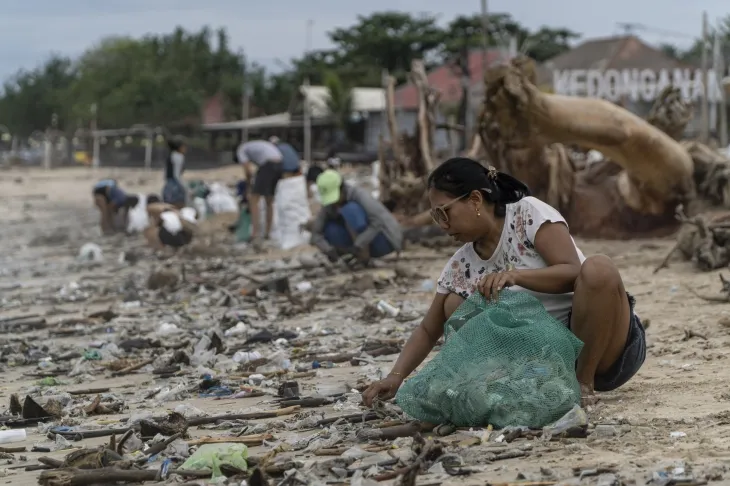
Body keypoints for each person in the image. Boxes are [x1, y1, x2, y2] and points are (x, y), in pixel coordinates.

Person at [362, 157, 646, 406]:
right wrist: (395, 377)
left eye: (443, 212)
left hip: (606, 347)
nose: (442, 224)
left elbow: (574, 272)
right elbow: (428, 329)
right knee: (454, 303)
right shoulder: (460, 266)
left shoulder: (527, 214)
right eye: (435, 217)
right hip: (550, 361)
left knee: (600, 268)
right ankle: (537, 384)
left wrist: (515, 275)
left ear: (475, 200)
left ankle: (583, 386)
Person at [309, 169, 403, 265]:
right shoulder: (329, 206)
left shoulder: (360, 196)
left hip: (383, 239)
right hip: (357, 242)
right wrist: (328, 250)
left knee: (350, 210)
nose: (334, 203)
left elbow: (377, 222)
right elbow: (316, 234)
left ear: (342, 188)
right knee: (330, 228)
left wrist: (358, 245)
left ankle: (363, 256)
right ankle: (351, 256)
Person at [236, 139, 283, 241]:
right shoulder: (254, 146)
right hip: (279, 163)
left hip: (268, 164)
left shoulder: (241, 150)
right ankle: (267, 233)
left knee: (253, 199)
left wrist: (249, 187)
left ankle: (255, 233)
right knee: (269, 200)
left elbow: (248, 171)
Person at [162, 138, 187, 208]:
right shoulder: (179, 156)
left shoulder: (170, 155)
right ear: (179, 147)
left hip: (168, 184)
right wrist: (183, 187)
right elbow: (176, 175)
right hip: (175, 185)